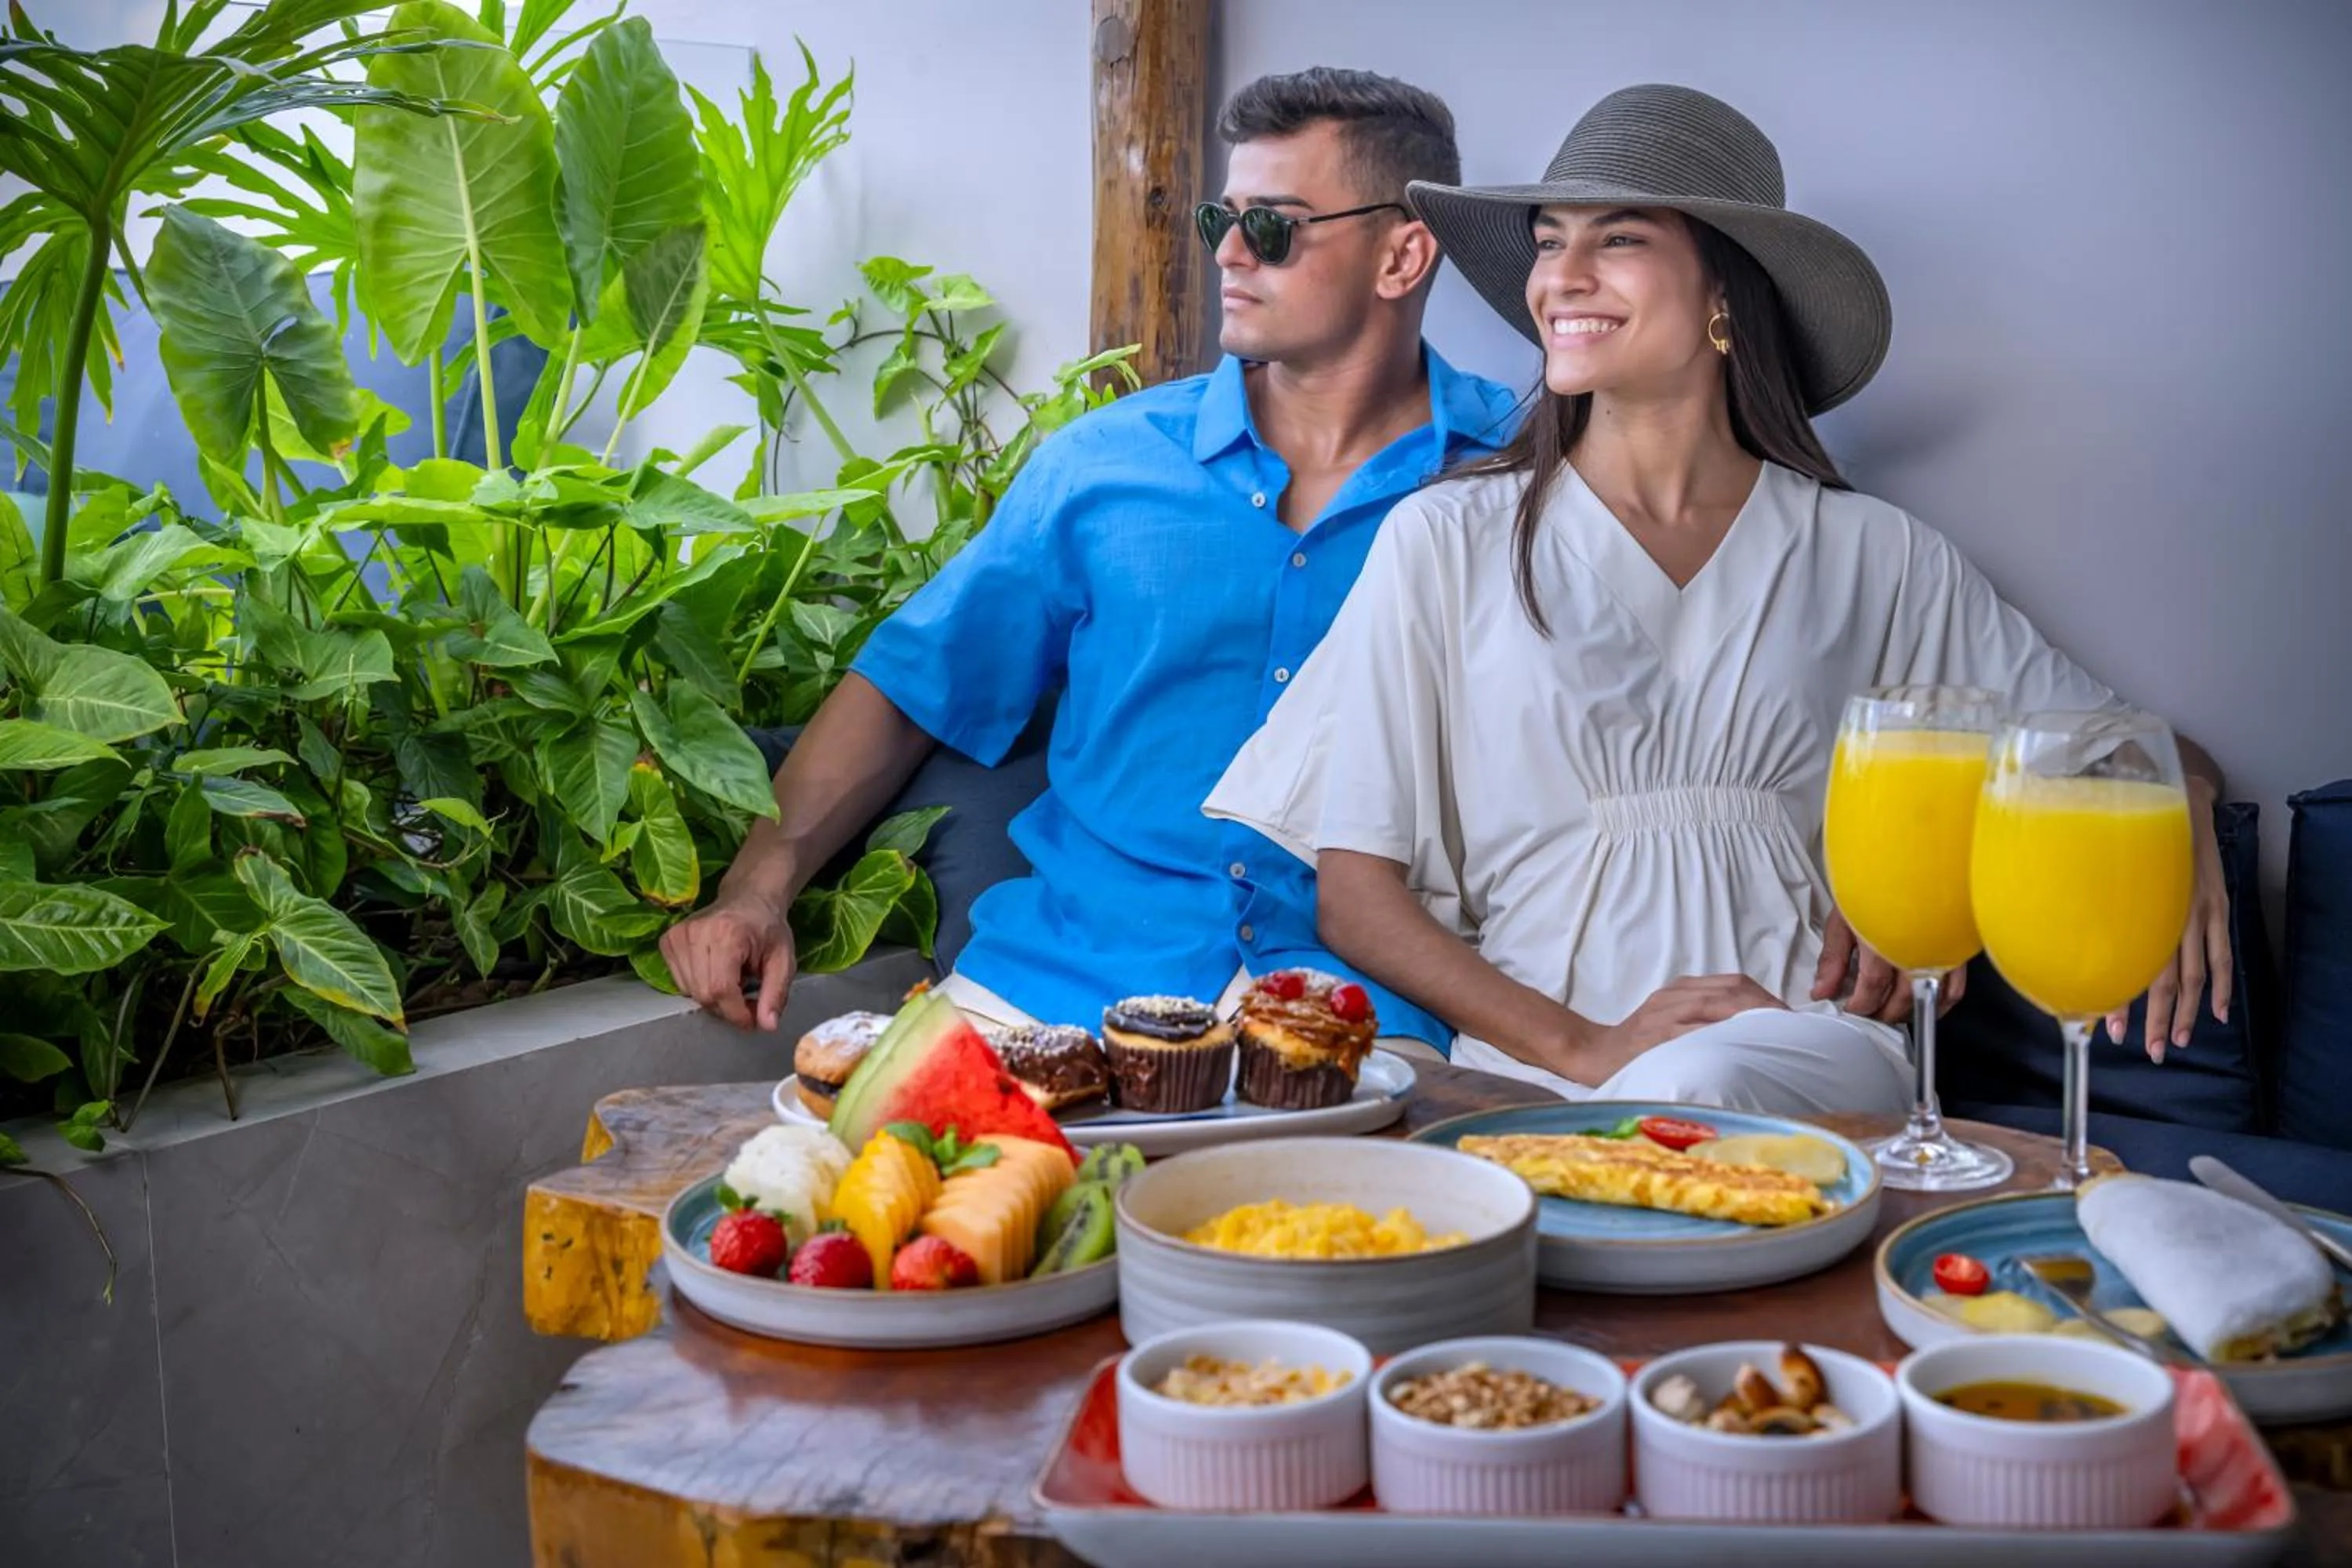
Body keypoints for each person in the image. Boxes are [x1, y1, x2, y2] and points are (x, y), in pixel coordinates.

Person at [1204, 84, 2232, 1114]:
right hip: (1536, 1072)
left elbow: (2123, 746)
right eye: (1550, 241)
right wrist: (1589, 1047)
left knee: (1703, 1081)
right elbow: (1356, 894)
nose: (1562, 276)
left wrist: (2162, 811)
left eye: (1618, 240)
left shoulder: (1876, 556)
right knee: (1623, 1121)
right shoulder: (1446, 541)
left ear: (1724, 294)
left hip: (1802, 1050)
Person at [660, 67, 1520, 1051]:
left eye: (1273, 227)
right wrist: (755, 893)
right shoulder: (1102, 466)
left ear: (1403, 255)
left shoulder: (1516, 481)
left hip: (1359, 1011)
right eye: (1220, 222)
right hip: (1061, 986)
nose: (1232, 255)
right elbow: (914, 682)